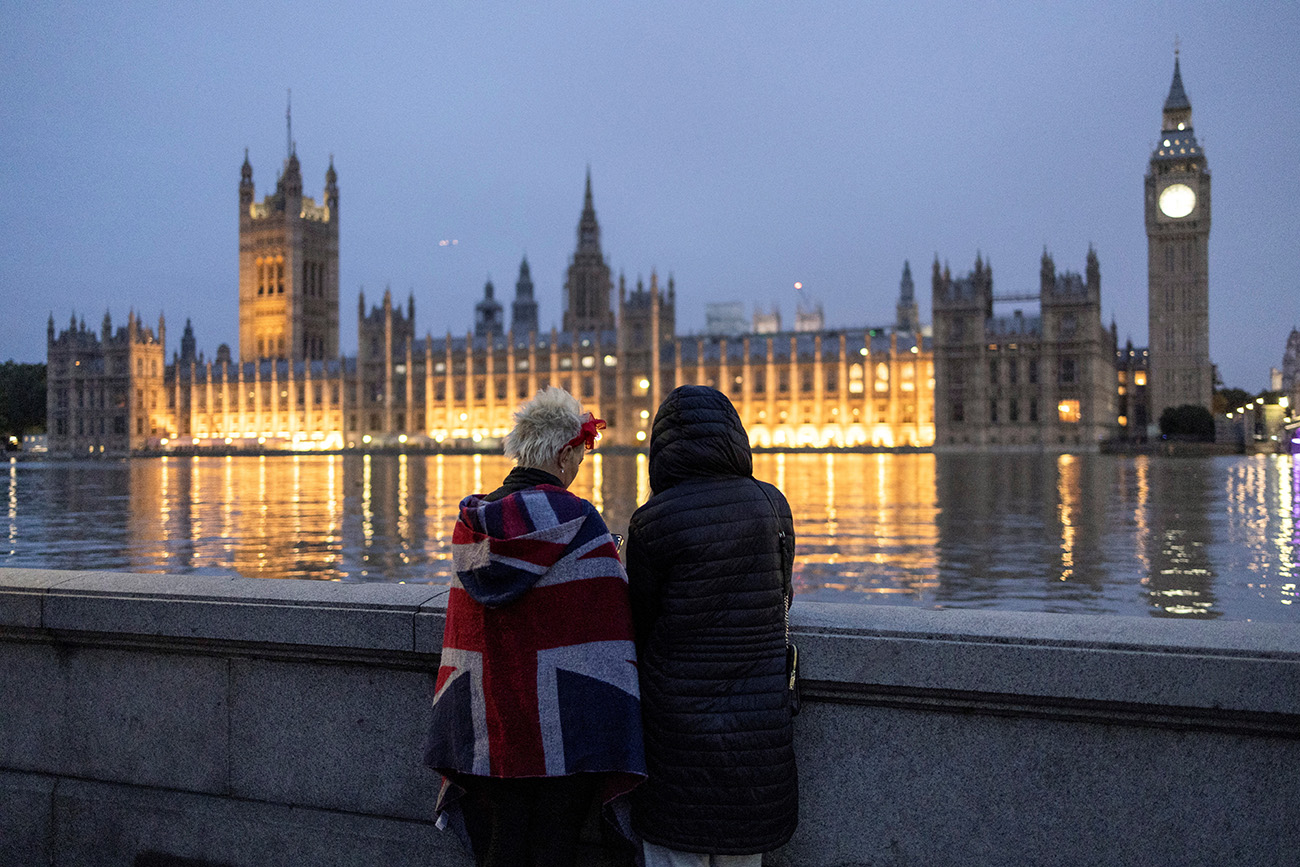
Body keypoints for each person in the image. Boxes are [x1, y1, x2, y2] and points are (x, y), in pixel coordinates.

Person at [424, 386, 646, 867]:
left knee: (500, 843)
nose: (579, 467)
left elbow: (468, 628)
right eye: (581, 456)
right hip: (563, 722)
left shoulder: (472, 524)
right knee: (554, 844)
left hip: (487, 719)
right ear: (565, 453)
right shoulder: (578, 518)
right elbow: (611, 617)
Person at [626, 385, 799, 867]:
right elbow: (782, 595)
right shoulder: (773, 505)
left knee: (674, 854)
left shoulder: (651, 522)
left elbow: (638, 622)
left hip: (676, 732)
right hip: (758, 727)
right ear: (734, 436)